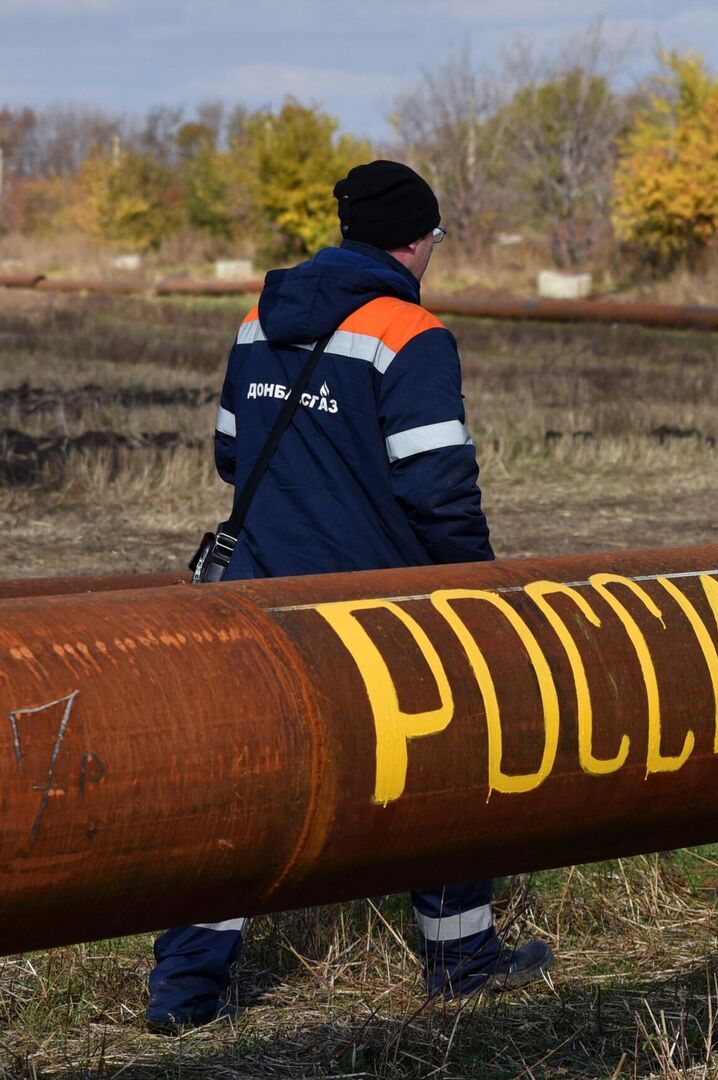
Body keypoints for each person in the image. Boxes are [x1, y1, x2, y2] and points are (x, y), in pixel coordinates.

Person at [148, 160, 552, 1034]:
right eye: (436, 240)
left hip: (256, 598)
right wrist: (477, 585)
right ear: (416, 241)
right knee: (450, 764)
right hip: (377, 601)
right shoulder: (409, 331)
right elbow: (437, 483)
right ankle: (463, 962)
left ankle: (183, 998)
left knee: (241, 793)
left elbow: (229, 453)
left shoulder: (259, 317)